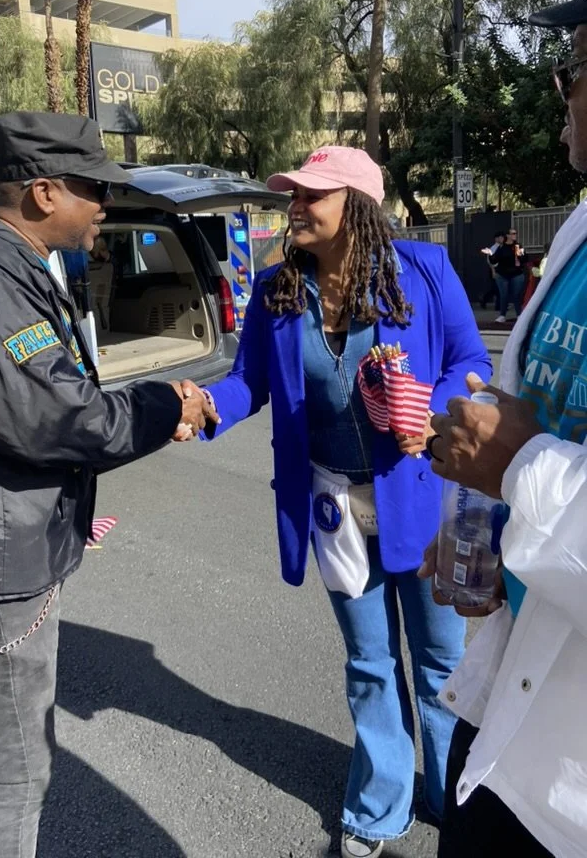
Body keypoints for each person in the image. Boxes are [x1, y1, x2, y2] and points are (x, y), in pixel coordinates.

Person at [0, 111, 217, 858]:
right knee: (13, 779)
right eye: (92, 188)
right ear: (43, 193)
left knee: (16, 773)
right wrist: (169, 404)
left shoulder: (5, 261)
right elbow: (56, 418)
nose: (104, 204)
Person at [181, 146, 492, 858]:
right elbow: (248, 382)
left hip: (431, 496)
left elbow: (471, 364)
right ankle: (382, 803)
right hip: (333, 506)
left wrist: (430, 410)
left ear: (355, 204)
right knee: (369, 662)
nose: (293, 205)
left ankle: (452, 797)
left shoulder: (424, 271)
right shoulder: (274, 292)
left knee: (444, 662)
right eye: (291, 194)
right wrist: (204, 407)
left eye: (310, 195)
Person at [421, 0, 587, 858]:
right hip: (504, 702)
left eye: (575, 71)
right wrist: (480, 529)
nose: (563, 93)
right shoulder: (580, 231)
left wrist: (520, 473)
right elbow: (522, 400)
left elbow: (526, 448)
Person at [489, 226, 526, 323]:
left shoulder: (517, 246)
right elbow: (494, 260)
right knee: (503, 295)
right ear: (508, 235)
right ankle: (502, 315)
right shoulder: (501, 247)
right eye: (513, 233)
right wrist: (490, 254)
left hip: (516, 273)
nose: (515, 235)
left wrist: (522, 255)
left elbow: (523, 260)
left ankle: (519, 314)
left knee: (516, 295)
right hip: (502, 274)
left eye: (515, 233)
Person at [479, 231, 506, 309]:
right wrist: (493, 271)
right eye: (500, 237)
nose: (502, 239)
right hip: (495, 269)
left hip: (501, 269)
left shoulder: (502, 247)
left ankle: (485, 300)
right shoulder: (494, 248)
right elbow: (490, 261)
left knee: (497, 289)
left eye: (502, 237)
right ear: (496, 239)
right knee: (497, 289)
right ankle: (497, 305)